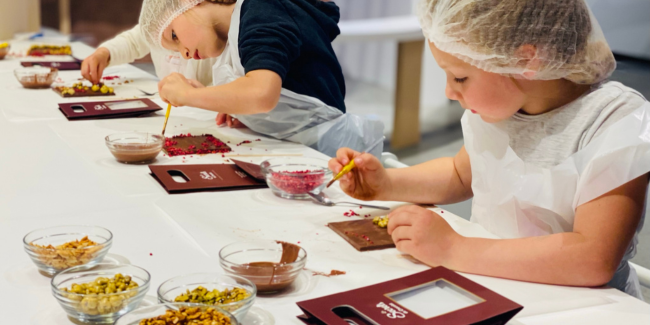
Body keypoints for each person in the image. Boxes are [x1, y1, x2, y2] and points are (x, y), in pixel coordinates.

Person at [330, 0, 650, 299]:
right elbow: (460, 174)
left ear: (526, 60)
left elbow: (592, 258)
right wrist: (387, 184)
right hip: (493, 281)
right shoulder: (500, 108)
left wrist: (453, 249)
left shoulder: (613, 120)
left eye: (459, 77)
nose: (449, 92)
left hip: (580, 302)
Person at [137, 0, 384, 157]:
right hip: (296, 151)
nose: (186, 54)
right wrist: (236, 107)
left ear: (190, 2)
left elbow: (261, 94)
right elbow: (262, 94)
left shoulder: (261, 11)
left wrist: (189, 96)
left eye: (175, 36)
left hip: (332, 154)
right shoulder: (235, 32)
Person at [81, 24, 216, 89]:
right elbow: (133, 42)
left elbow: (233, 79)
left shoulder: (212, 34)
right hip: (170, 109)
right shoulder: (156, 22)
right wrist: (105, 53)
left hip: (209, 112)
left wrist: (221, 103)